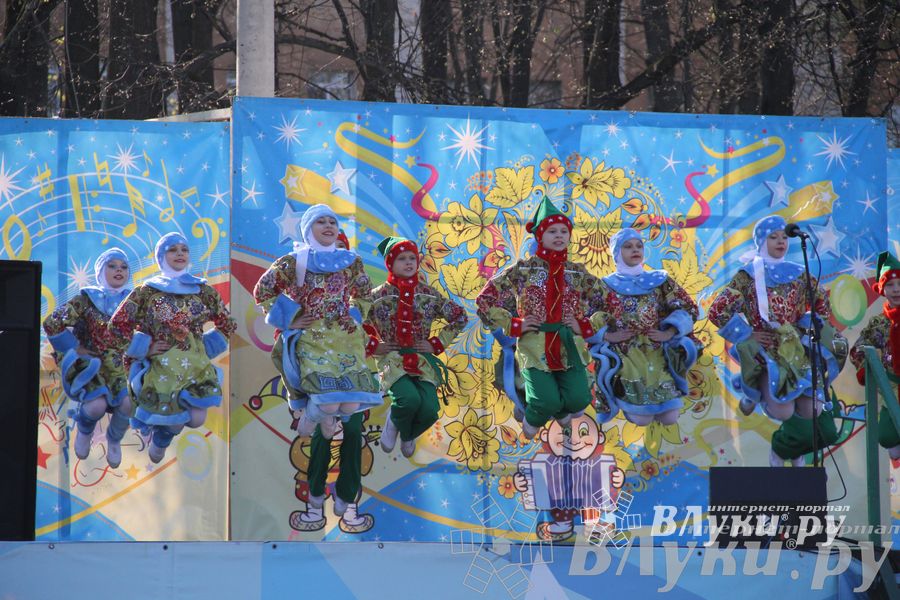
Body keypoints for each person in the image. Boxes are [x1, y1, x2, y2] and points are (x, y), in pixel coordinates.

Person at [708, 215, 845, 465]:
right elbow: (718, 310)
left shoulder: (799, 272)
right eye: (773, 237)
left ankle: (792, 444)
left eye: (784, 236)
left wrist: (809, 325)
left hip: (794, 348)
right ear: (761, 241)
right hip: (766, 347)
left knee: (812, 410)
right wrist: (747, 334)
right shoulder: (748, 275)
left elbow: (821, 303)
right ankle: (752, 386)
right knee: (783, 411)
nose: (781, 241)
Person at [252, 204, 382, 438]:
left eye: (332, 222)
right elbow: (264, 290)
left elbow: (364, 293)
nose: (328, 226)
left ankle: (328, 418)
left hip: (345, 339)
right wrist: (291, 319)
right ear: (308, 229)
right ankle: (310, 420)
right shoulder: (294, 262)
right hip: (312, 338)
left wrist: (353, 315)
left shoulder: (351, 261)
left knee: (350, 405)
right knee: (328, 402)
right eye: (321, 222)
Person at [476, 195, 600, 438]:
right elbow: (484, 301)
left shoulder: (577, 271)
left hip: (568, 347)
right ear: (539, 236)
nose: (559, 236)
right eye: (552, 231)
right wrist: (513, 325)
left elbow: (611, 303)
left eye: (564, 231)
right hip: (534, 346)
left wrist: (585, 325)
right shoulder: (523, 270)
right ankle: (533, 418)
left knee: (579, 400)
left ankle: (560, 409)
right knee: (545, 400)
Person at [109, 232, 236, 463]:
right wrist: (143, 348)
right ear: (161, 256)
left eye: (184, 249)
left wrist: (204, 347)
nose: (179, 253)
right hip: (161, 367)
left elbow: (227, 324)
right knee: (176, 417)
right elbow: (117, 326)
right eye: (172, 249)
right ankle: (161, 438)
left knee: (197, 418)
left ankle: (163, 434)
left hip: (194, 366)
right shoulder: (147, 292)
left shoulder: (203, 291)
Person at [289, 229, 374, 533]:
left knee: (352, 431)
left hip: (346, 357)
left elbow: (366, 302)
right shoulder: (300, 264)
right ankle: (314, 502)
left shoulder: (352, 275)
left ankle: (348, 497)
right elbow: (279, 299)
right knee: (322, 437)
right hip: (315, 357)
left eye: (340, 248)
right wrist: (290, 321)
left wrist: (354, 317)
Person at [365, 235, 468, 458]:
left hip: (421, 361)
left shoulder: (427, 293)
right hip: (392, 360)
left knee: (430, 410)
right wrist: (373, 345)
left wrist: (436, 343)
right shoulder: (377, 296)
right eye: (402, 258)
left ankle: (408, 432)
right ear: (390, 264)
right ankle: (395, 421)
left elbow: (460, 316)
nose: (409, 262)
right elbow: (352, 323)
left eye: (412, 257)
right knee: (408, 400)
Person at [588, 228, 700, 426]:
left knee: (670, 417)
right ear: (616, 253)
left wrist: (669, 332)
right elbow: (586, 316)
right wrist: (607, 336)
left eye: (639, 245)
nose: (635, 250)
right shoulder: (605, 286)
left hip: (657, 350)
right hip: (627, 354)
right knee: (642, 418)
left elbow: (687, 308)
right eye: (628, 246)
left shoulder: (660, 281)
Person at [44, 248, 133, 468]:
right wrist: (75, 347)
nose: (118, 270)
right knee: (96, 407)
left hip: (120, 367)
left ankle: (114, 438)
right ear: (100, 271)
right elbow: (52, 323)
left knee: (128, 404)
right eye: (112, 266)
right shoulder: (87, 299)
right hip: (92, 366)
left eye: (123, 266)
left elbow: (150, 329)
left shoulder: (134, 302)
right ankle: (84, 431)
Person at [850, 251, 900, 460]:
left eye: (899, 284)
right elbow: (858, 350)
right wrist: (867, 370)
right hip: (892, 389)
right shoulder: (878, 323)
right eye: (890, 285)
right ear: (882, 289)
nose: (896, 290)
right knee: (889, 439)